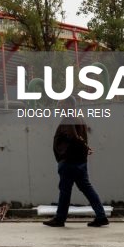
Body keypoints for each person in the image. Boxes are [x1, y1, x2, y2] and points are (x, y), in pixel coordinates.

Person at [43, 97, 108, 228]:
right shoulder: (79, 118)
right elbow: (80, 138)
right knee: (87, 188)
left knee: (65, 191)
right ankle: (101, 216)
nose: (59, 105)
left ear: (68, 104)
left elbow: (72, 137)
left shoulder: (68, 118)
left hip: (69, 161)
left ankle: (60, 219)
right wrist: (85, 147)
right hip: (80, 161)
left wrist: (65, 154)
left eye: (61, 103)